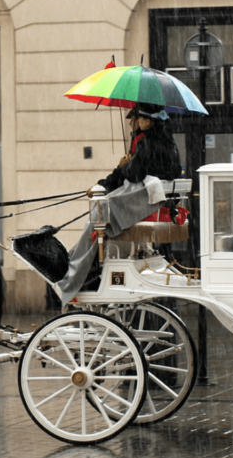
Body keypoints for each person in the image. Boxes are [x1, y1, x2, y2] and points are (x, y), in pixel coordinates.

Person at [13, 103, 182, 307]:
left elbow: (132, 173)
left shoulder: (147, 143)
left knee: (98, 216)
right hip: (153, 202)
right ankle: (80, 263)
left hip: (143, 203)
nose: (132, 123)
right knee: (100, 213)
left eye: (136, 119)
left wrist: (125, 164)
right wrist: (111, 178)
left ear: (147, 121)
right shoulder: (168, 143)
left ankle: (77, 269)